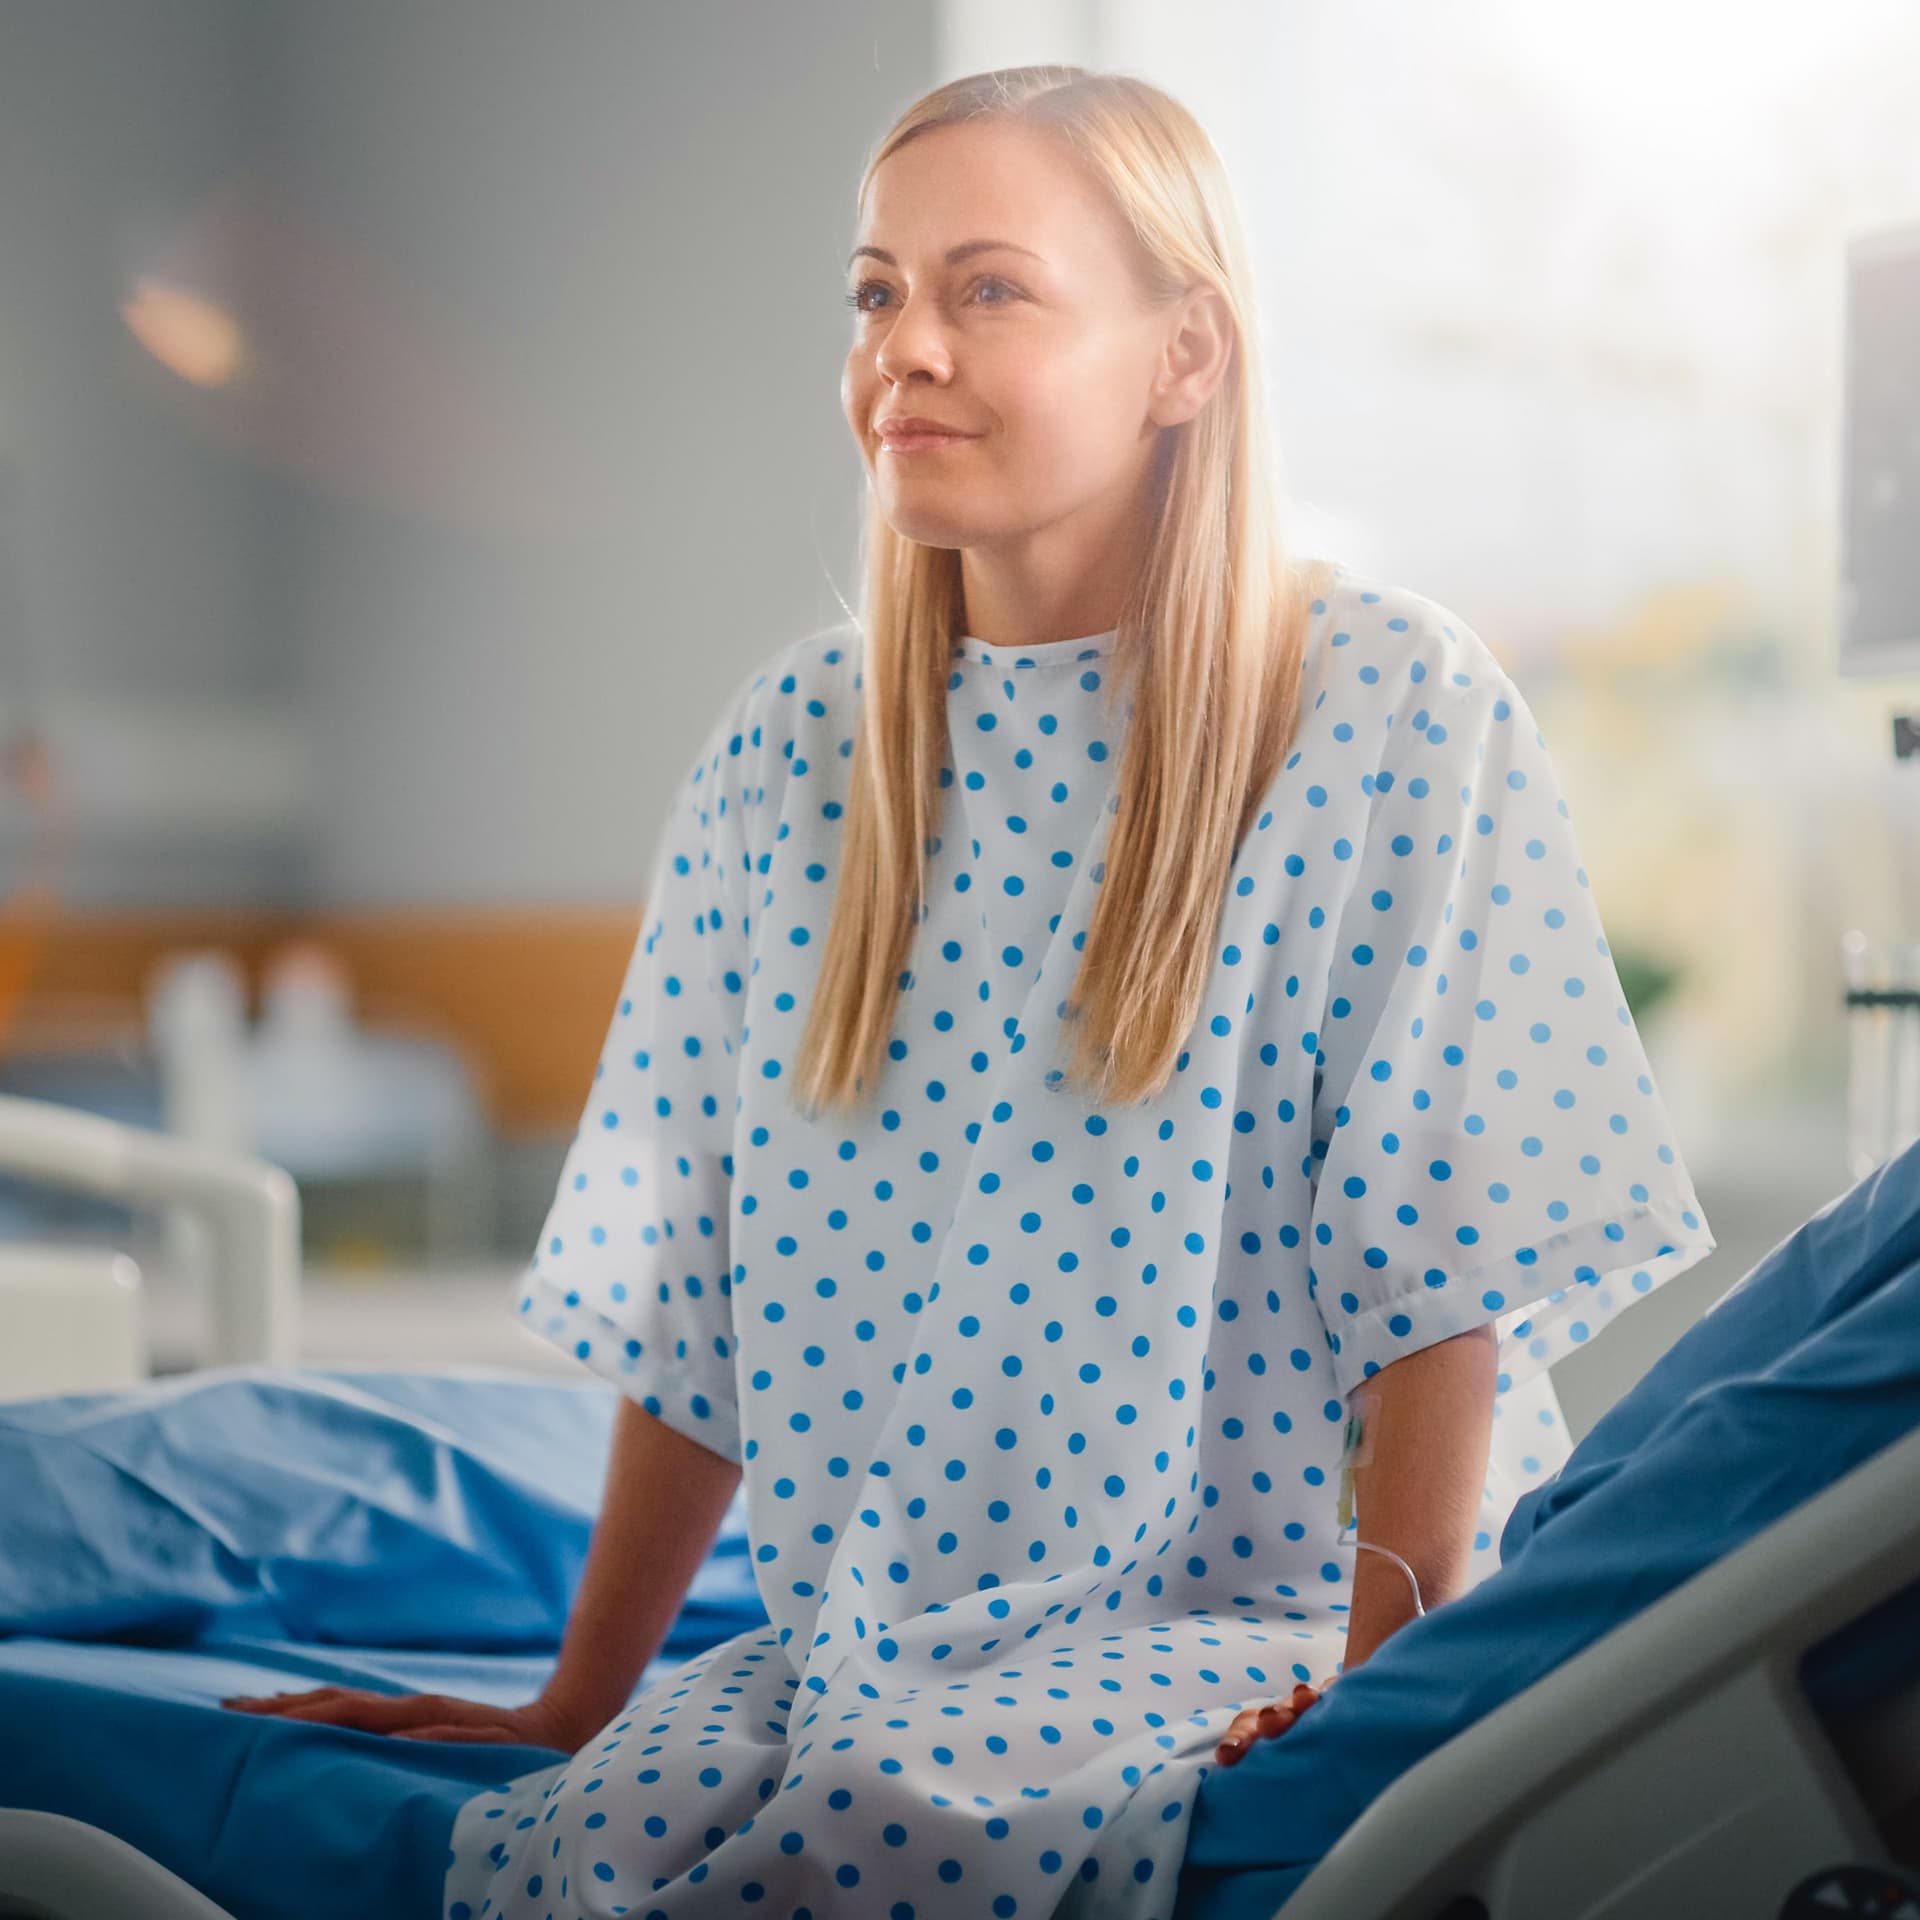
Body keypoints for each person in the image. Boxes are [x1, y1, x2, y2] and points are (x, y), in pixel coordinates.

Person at [224, 64, 1716, 1919]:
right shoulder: (793, 758)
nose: (903, 348)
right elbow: (701, 1302)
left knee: (869, 1827)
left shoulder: (1383, 707)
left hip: (1251, 1610)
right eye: (874, 293)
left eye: (986, 289)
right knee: (571, 1851)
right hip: (890, 1621)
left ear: (1185, 354)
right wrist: (577, 1701)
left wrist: (1382, 1687)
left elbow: (1447, 1269)